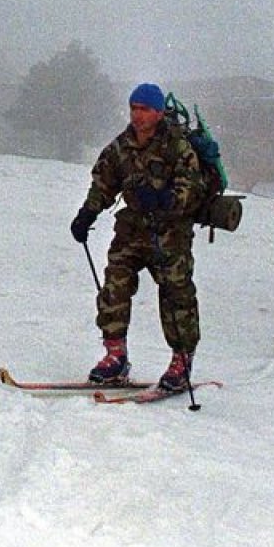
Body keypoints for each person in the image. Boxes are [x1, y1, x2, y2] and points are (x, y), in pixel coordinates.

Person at [68, 83, 204, 391]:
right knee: (114, 286)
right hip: (132, 230)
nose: (137, 115)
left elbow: (191, 190)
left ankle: (182, 360)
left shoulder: (177, 146)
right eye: (134, 108)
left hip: (170, 233)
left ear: (158, 113)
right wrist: (87, 214)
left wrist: (165, 200)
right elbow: (104, 182)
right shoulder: (121, 146)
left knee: (175, 295)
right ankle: (115, 356)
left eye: (144, 109)